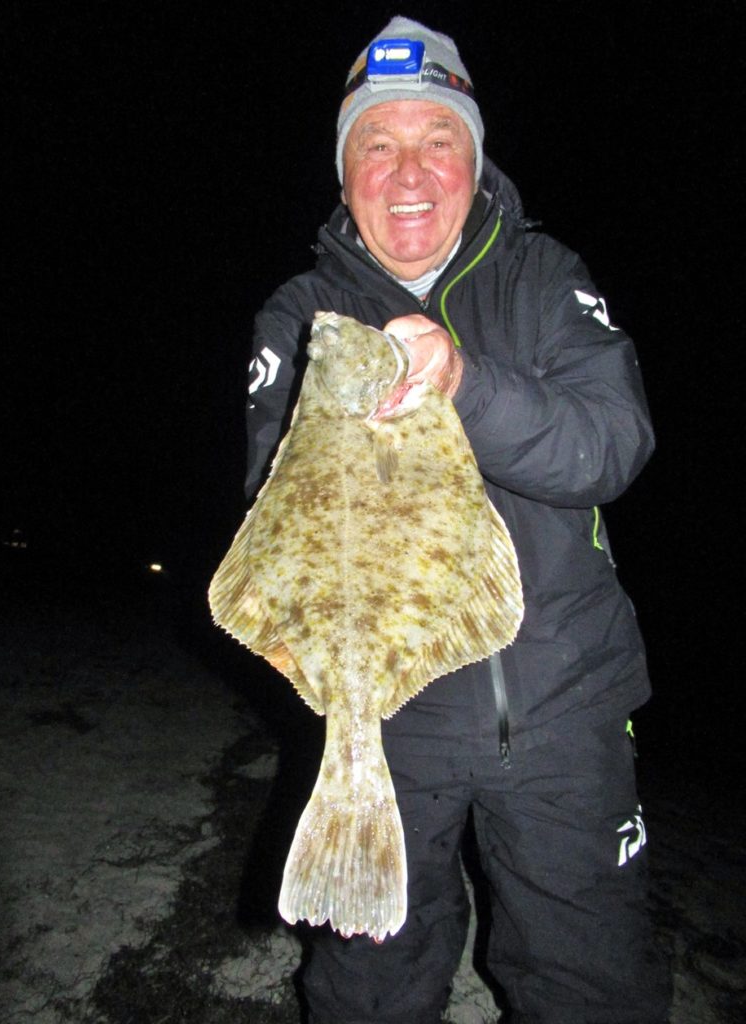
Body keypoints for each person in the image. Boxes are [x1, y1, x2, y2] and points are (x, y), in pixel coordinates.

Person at [244, 16, 671, 1024]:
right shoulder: (299, 316)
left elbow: (612, 442)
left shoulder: (545, 278)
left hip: (565, 709)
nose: (409, 172)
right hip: (391, 726)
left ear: (474, 162)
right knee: (367, 993)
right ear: (343, 171)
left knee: (591, 990)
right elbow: (272, 503)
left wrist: (466, 383)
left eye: (438, 140)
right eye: (376, 144)